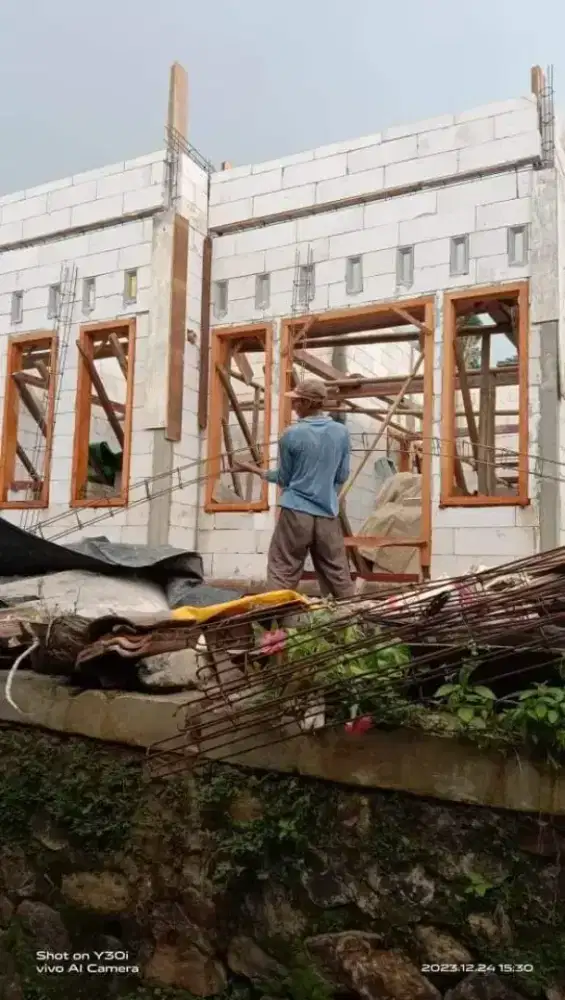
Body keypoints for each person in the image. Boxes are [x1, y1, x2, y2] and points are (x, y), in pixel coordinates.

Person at [237, 379, 355, 599]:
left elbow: (284, 478)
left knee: (282, 570)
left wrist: (254, 470)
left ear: (308, 403)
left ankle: (276, 618)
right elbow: (342, 475)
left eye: (297, 401)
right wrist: (324, 493)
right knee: (338, 574)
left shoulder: (291, 435)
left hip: (295, 513)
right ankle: (354, 615)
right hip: (327, 515)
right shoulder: (341, 433)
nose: (293, 405)